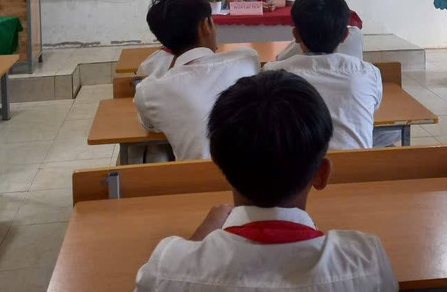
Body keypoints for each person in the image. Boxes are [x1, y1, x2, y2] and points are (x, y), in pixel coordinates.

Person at [135, 70, 398, 291]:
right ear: (322, 174)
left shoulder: (167, 268)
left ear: (220, 164)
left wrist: (195, 243)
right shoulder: (366, 263)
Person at [133, 0, 259, 160]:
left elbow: (150, 125)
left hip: (197, 177)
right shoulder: (248, 60)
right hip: (254, 173)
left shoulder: (149, 91)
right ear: (205, 25)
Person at [264, 0, 384, 148]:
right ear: (345, 36)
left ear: (296, 35)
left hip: (297, 164)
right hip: (355, 163)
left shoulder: (271, 74)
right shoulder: (368, 73)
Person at [274, 0, 363, 61]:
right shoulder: (356, 33)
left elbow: (280, 58)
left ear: (296, 35)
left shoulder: (305, 38)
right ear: (345, 35)